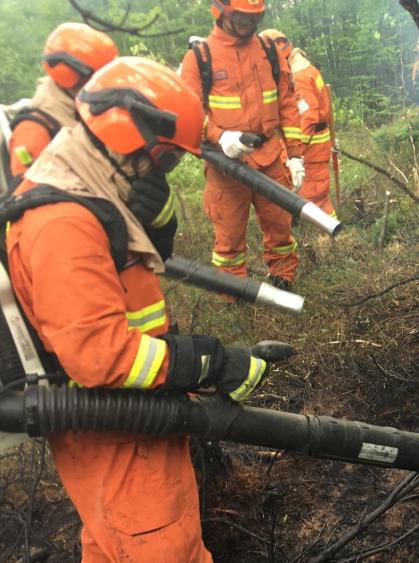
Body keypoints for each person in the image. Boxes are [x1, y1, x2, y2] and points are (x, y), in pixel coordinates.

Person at [6, 56, 270, 562]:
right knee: (163, 550)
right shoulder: (63, 223)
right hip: (118, 440)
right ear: (130, 136)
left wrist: (154, 227)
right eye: (165, 159)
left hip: (132, 419)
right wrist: (209, 362)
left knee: (115, 549)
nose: (162, 172)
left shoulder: (88, 197)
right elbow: (98, 356)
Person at [180, 0, 304, 290]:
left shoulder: (270, 51)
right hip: (226, 164)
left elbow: (287, 104)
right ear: (221, 12)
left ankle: (283, 279)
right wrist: (220, 136)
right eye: (241, 17)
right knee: (229, 235)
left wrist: (296, 155)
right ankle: (233, 293)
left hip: (271, 157)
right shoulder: (201, 57)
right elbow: (188, 112)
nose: (249, 24)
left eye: (255, 17)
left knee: (280, 226)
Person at [5, 23, 117, 184]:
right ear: (71, 74)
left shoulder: (86, 112)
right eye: (97, 77)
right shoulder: (33, 131)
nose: (103, 85)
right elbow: (28, 195)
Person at [260, 29, 339, 219]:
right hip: (315, 147)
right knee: (314, 197)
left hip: (311, 150)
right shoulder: (305, 67)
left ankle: (331, 240)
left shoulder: (299, 77)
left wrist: (294, 154)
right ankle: (329, 237)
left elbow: (307, 118)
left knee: (315, 199)